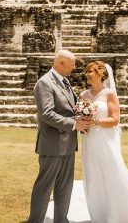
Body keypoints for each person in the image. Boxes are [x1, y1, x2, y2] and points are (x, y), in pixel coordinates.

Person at [80, 61, 128, 223]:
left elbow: (114, 120)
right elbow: (80, 116)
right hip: (89, 140)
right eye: (87, 71)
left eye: (90, 71)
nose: (87, 74)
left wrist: (94, 121)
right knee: (93, 174)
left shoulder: (109, 94)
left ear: (101, 74)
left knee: (112, 172)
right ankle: (99, 213)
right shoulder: (83, 95)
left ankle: (118, 212)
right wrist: (83, 123)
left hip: (105, 139)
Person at [27, 50, 92, 223]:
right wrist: (74, 124)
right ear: (62, 63)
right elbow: (46, 114)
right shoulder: (45, 83)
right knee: (44, 186)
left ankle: (61, 220)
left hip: (68, 144)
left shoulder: (65, 82)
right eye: (71, 65)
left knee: (65, 187)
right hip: (52, 145)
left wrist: (81, 116)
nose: (74, 68)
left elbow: (68, 109)